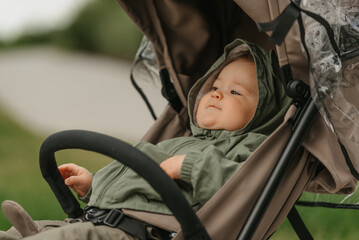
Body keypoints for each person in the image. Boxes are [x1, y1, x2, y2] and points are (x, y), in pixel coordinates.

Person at [0, 39, 291, 240]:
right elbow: (134, 185)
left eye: (235, 92)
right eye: (215, 86)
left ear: (263, 111)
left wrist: (190, 168)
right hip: (100, 220)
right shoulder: (179, 140)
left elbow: (244, 187)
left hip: (140, 232)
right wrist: (93, 186)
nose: (216, 94)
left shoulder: (249, 148)